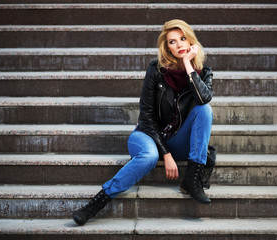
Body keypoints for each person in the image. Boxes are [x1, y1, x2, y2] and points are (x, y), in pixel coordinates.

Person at [72, 19, 215, 226]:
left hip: (177, 140)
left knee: (205, 110)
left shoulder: (204, 72)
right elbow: (147, 117)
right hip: (147, 135)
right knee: (149, 156)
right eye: (172, 42)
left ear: (191, 41)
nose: (179, 45)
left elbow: (203, 99)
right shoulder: (156, 72)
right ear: (166, 47)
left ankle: (192, 180)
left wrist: (188, 66)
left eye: (183, 39)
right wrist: (165, 154)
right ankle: (95, 204)